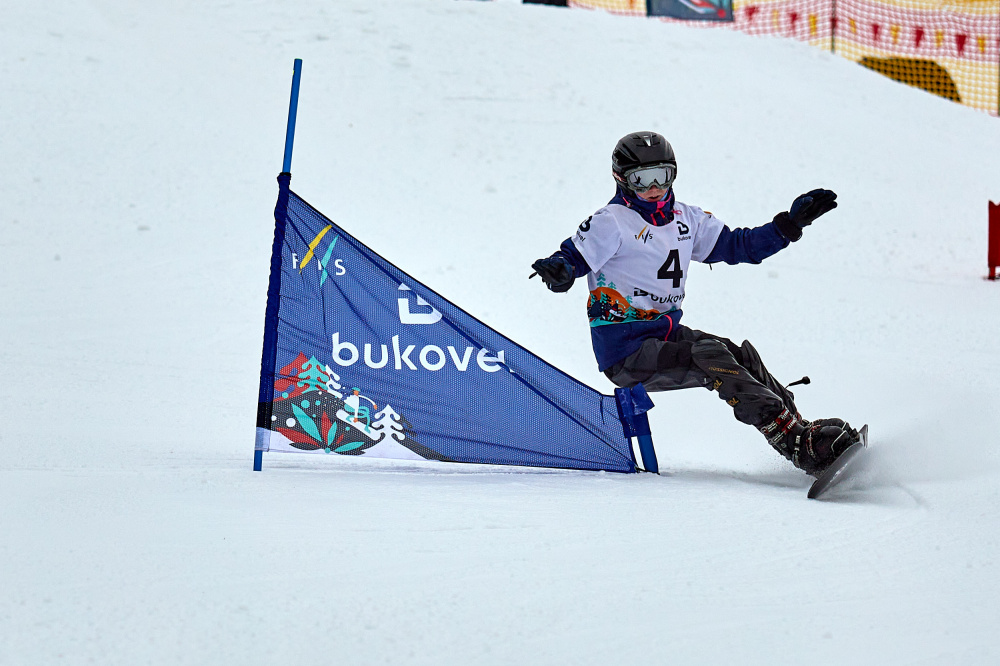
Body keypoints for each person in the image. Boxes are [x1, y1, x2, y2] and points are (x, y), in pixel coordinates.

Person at [530, 131, 859, 476]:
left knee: (733, 352)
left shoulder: (687, 219)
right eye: (641, 180)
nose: (654, 188)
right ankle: (794, 444)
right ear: (621, 178)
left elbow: (740, 246)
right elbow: (572, 258)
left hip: (664, 336)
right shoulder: (611, 222)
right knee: (708, 355)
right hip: (626, 352)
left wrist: (789, 225)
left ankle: (797, 428)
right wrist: (560, 271)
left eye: (663, 176)